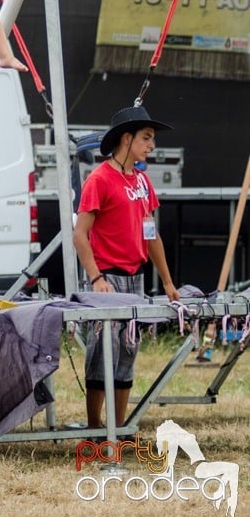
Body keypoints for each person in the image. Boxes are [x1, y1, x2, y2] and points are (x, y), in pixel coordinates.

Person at [72, 104, 181, 430]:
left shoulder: (143, 181)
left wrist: (167, 281)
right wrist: (96, 278)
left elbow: (151, 235)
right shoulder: (99, 179)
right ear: (126, 138)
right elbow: (80, 235)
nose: (152, 145)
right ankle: (95, 430)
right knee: (102, 355)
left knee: (127, 355)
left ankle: (118, 429)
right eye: (146, 138)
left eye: (152, 139)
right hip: (107, 280)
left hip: (136, 280)